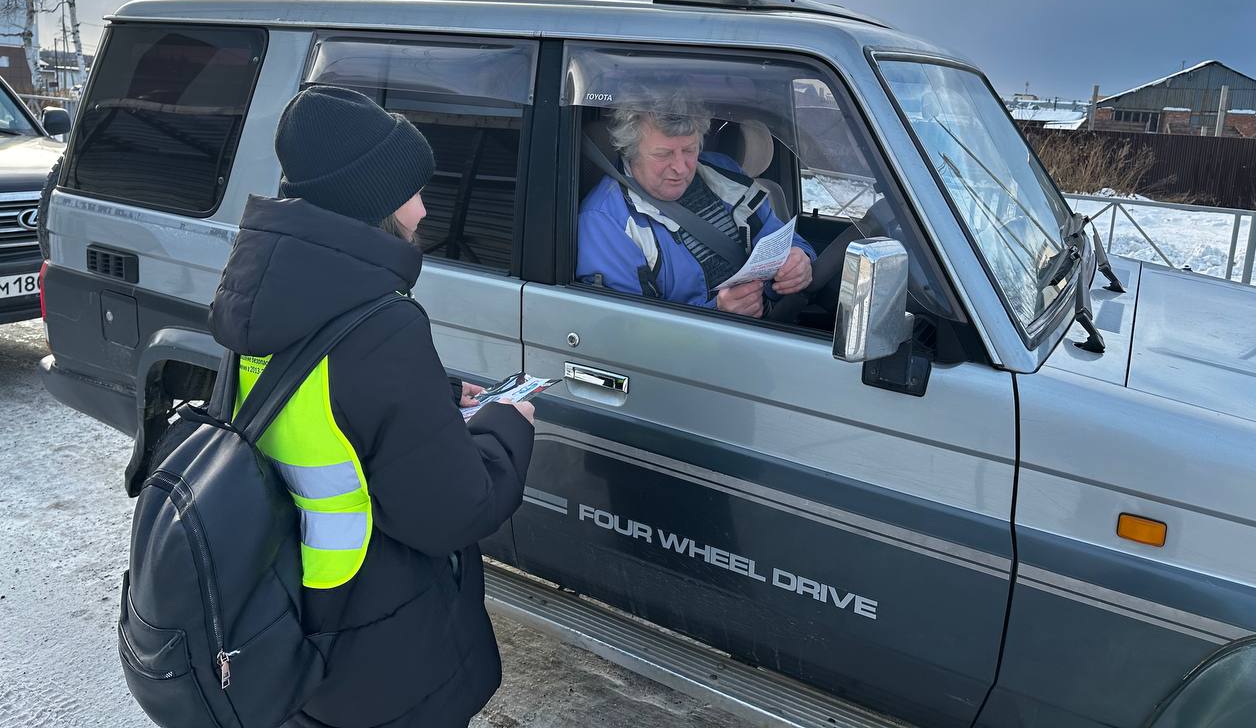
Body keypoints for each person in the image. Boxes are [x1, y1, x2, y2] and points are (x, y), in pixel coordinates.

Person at [208, 86, 535, 728]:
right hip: (372, 637)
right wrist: (505, 425)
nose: (421, 210)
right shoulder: (383, 324)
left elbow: (320, 400)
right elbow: (455, 510)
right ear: (371, 202)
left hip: (281, 603)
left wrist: (434, 398)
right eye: (409, 191)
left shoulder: (263, 291)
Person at [576, 92, 814, 316]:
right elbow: (625, 330)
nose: (680, 167)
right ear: (630, 151)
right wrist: (716, 313)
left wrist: (798, 259)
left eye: (689, 150)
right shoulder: (605, 221)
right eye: (663, 154)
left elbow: (779, 237)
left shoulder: (723, 172)